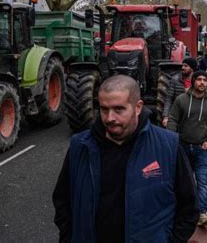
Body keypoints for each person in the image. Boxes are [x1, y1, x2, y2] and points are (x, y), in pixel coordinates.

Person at [53, 75, 199, 242]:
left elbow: (189, 207)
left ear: (138, 107)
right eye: (104, 109)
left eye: (119, 109)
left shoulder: (168, 146)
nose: (109, 118)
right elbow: (62, 201)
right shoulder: (80, 146)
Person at [167, 71, 207, 227]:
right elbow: (173, 119)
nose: (202, 83)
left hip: (203, 149)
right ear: (193, 81)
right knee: (183, 180)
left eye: (205, 80)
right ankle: (182, 210)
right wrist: (172, 140)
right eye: (199, 79)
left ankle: (203, 213)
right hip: (183, 146)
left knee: (202, 181)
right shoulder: (181, 100)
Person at [162, 57, 198, 127]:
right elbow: (169, 98)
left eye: (186, 66)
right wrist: (165, 116)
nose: (182, 68)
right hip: (178, 114)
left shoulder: (198, 81)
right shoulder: (175, 80)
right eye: (182, 65)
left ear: (192, 68)